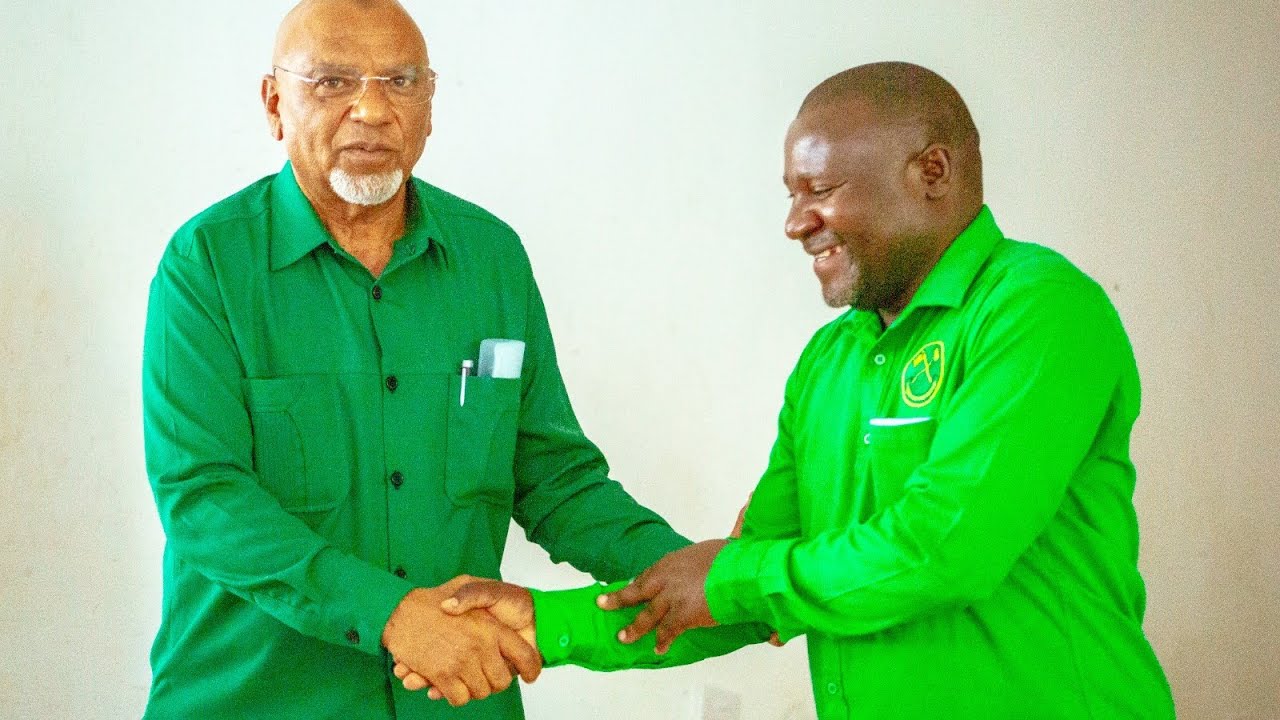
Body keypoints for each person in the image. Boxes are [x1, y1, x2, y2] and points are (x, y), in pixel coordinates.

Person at [399, 61, 1176, 719]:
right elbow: (746, 589)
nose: (796, 222)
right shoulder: (828, 361)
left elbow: (943, 553)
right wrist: (542, 624)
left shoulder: (1038, 310)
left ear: (932, 173)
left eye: (821, 188)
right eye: (791, 195)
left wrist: (732, 578)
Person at [140, 1, 693, 716]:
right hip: (256, 698)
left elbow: (555, 480)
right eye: (333, 82)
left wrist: (698, 577)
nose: (372, 109)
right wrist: (392, 614)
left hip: (458, 703)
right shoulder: (207, 264)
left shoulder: (491, 258)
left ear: (430, 105)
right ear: (275, 104)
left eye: (400, 81)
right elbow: (203, 497)